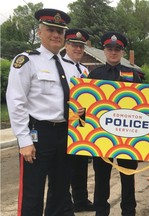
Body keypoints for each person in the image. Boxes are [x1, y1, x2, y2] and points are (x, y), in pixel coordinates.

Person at [6, 8, 80, 216]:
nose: (56, 35)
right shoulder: (26, 61)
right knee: (33, 191)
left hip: (65, 134)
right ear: (40, 32)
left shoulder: (71, 67)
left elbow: (77, 102)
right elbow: (16, 100)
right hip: (38, 134)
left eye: (60, 31)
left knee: (60, 189)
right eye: (51, 29)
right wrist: (24, 140)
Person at [87, 32, 141, 216]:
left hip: (127, 138)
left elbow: (141, 106)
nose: (113, 52)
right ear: (104, 50)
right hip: (101, 138)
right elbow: (85, 104)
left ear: (123, 52)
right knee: (101, 179)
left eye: (117, 49)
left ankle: (128, 211)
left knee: (128, 177)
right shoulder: (94, 75)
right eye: (110, 49)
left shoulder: (133, 75)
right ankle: (101, 212)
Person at [63, 28, 95, 212]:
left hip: (81, 124)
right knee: (65, 168)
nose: (78, 49)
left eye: (81, 46)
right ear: (66, 45)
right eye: (74, 45)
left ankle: (81, 199)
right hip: (66, 124)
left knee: (81, 165)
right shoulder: (59, 65)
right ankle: (66, 202)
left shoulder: (84, 70)